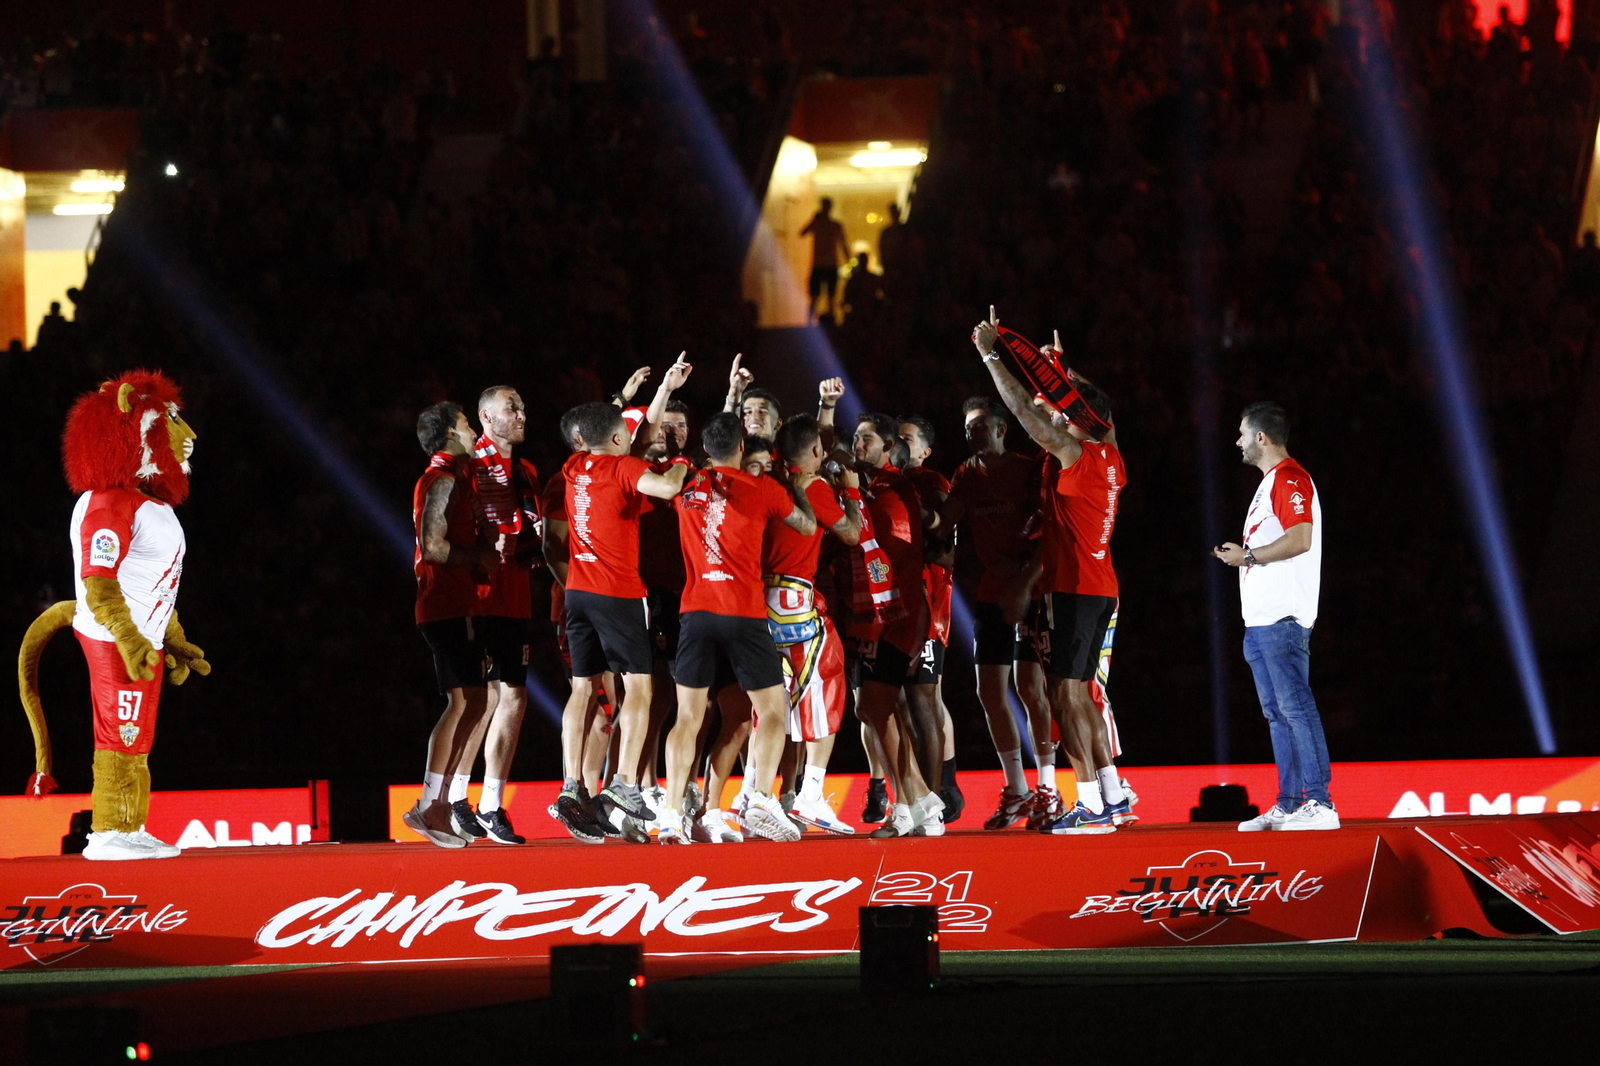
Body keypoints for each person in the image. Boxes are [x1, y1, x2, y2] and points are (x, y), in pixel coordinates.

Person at [972, 308, 1130, 834]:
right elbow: (1090, 407)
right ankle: (1110, 794)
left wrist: (994, 354)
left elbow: (1023, 410)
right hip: (1100, 586)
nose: (1057, 417)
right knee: (1078, 691)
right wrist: (1058, 367)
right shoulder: (1112, 454)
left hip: (1075, 589)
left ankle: (1086, 802)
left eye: (1065, 412)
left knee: (1063, 693)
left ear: (1078, 422)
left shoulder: (1075, 455)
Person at [659, 412, 819, 843]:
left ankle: (672, 812)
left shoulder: (686, 486)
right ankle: (761, 799)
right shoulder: (763, 488)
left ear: (706, 449)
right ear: (743, 449)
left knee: (688, 718)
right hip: (744, 614)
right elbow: (806, 526)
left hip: (696, 613)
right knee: (771, 711)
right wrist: (800, 491)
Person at [551, 365, 693, 835]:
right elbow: (669, 487)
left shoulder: (573, 467)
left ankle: (572, 785)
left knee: (582, 688)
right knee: (640, 689)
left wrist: (663, 390)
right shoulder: (626, 468)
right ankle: (626, 782)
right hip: (618, 594)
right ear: (619, 441)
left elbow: (619, 430)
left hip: (577, 594)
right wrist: (682, 461)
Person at [1213, 402, 1336, 831]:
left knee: (1296, 709)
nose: (1238, 441)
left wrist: (1247, 556)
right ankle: (1288, 804)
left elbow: (1301, 539)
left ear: (1261, 437)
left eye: (1243, 434)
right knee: (1278, 714)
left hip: (1283, 619)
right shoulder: (1269, 484)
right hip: (1260, 622)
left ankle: (1319, 803)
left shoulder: (1290, 478)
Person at [940, 397, 1055, 830]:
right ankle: (1017, 789)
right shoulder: (967, 473)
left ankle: (1048, 786)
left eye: (980, 426)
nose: (972, 434)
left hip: (1030, 592)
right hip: (991, 594)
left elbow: (1050, 534)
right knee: (989, 692)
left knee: (1032, 689)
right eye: (968, 428)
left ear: (1002, 429)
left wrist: (1024, 581)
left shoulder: (1028, 472)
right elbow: (943, 519)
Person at [404, 402, 500, 849]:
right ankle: (429, 805)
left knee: (477, 701)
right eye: (465, 423)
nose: (472, 429)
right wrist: (479, 557)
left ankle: (438, 800)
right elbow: (433, 546)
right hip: (445, 604)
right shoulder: (440, 480)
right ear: (448, 433)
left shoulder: (455, 477)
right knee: (462, 702)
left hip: (457, 604)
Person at [847, 412, 945, 837]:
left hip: (895, 615)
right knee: (875, 707)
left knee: (877, 706)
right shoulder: (873, 487)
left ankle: (908, 807)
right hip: (874, 614)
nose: (858, 445)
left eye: (867, 439)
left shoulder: (894, 489)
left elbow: (876, 542)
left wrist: (851, 497)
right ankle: (922, 800)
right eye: (856, 437)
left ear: (889, 448)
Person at [449, 385, 538, 845]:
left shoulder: (526, 471)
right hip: (478, 597)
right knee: (479, 698)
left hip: (516, 597)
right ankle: (457, 799)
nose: (521, 414)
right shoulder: (468, 467)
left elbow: (532, 536)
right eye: (511, 408)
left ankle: (490, 805)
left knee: (515, 698)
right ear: (486, 417)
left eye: (521, 407)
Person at [898, 413, 965, 822]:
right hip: (894, 605)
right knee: (909, 703)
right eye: (897, 438)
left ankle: (942, 790)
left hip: (928, 604)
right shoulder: (886, 481)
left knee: (926, 698)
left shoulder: (933, 483)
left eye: (908, 439)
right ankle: (926, 789)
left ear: (925, 450)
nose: (900, 444)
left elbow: (946, 547)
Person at [800, 197, 849, 324]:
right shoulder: (832, 225)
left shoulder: (828, 225)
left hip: (823, 265)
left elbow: (802, 233)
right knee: (825, 297)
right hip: (827, 265)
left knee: (825, 297)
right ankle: (818, 322)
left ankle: (809, 322)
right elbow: (843, 245)